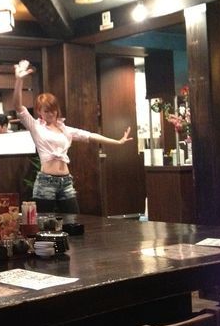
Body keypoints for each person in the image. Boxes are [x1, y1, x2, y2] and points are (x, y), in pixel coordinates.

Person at [14, 60, 132, 213]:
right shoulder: (35, 126)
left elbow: (90, 136)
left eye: (53, 110)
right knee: (44, 221)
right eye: (46, 111)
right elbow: (18, 107)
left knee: (73, 219)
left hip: (66, 181)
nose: (51, 113)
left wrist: (118, 142)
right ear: (39, 112)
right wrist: (19, 80)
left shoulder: (65, 130)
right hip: (46, 181)